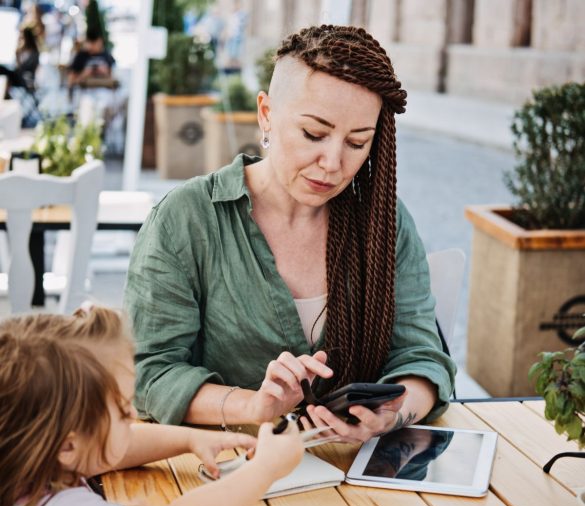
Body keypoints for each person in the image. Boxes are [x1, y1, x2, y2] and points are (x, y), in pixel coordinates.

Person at [124, 25, 457, 443]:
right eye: (313, 134)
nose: (333, 162)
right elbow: (149, 373)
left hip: (355, 478)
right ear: (266, 114)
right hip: (227, 474)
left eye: (357, 143)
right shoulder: (186, 220)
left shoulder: (383, 223)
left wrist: (393, 413)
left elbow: (423, 357)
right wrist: (253, 406)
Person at [0, 307, 303, 506]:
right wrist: (265, 469)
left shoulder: (49, 462)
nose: (133, 415)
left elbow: (124, 445)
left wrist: (190, 439)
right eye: (121, 410)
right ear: (67, 447)